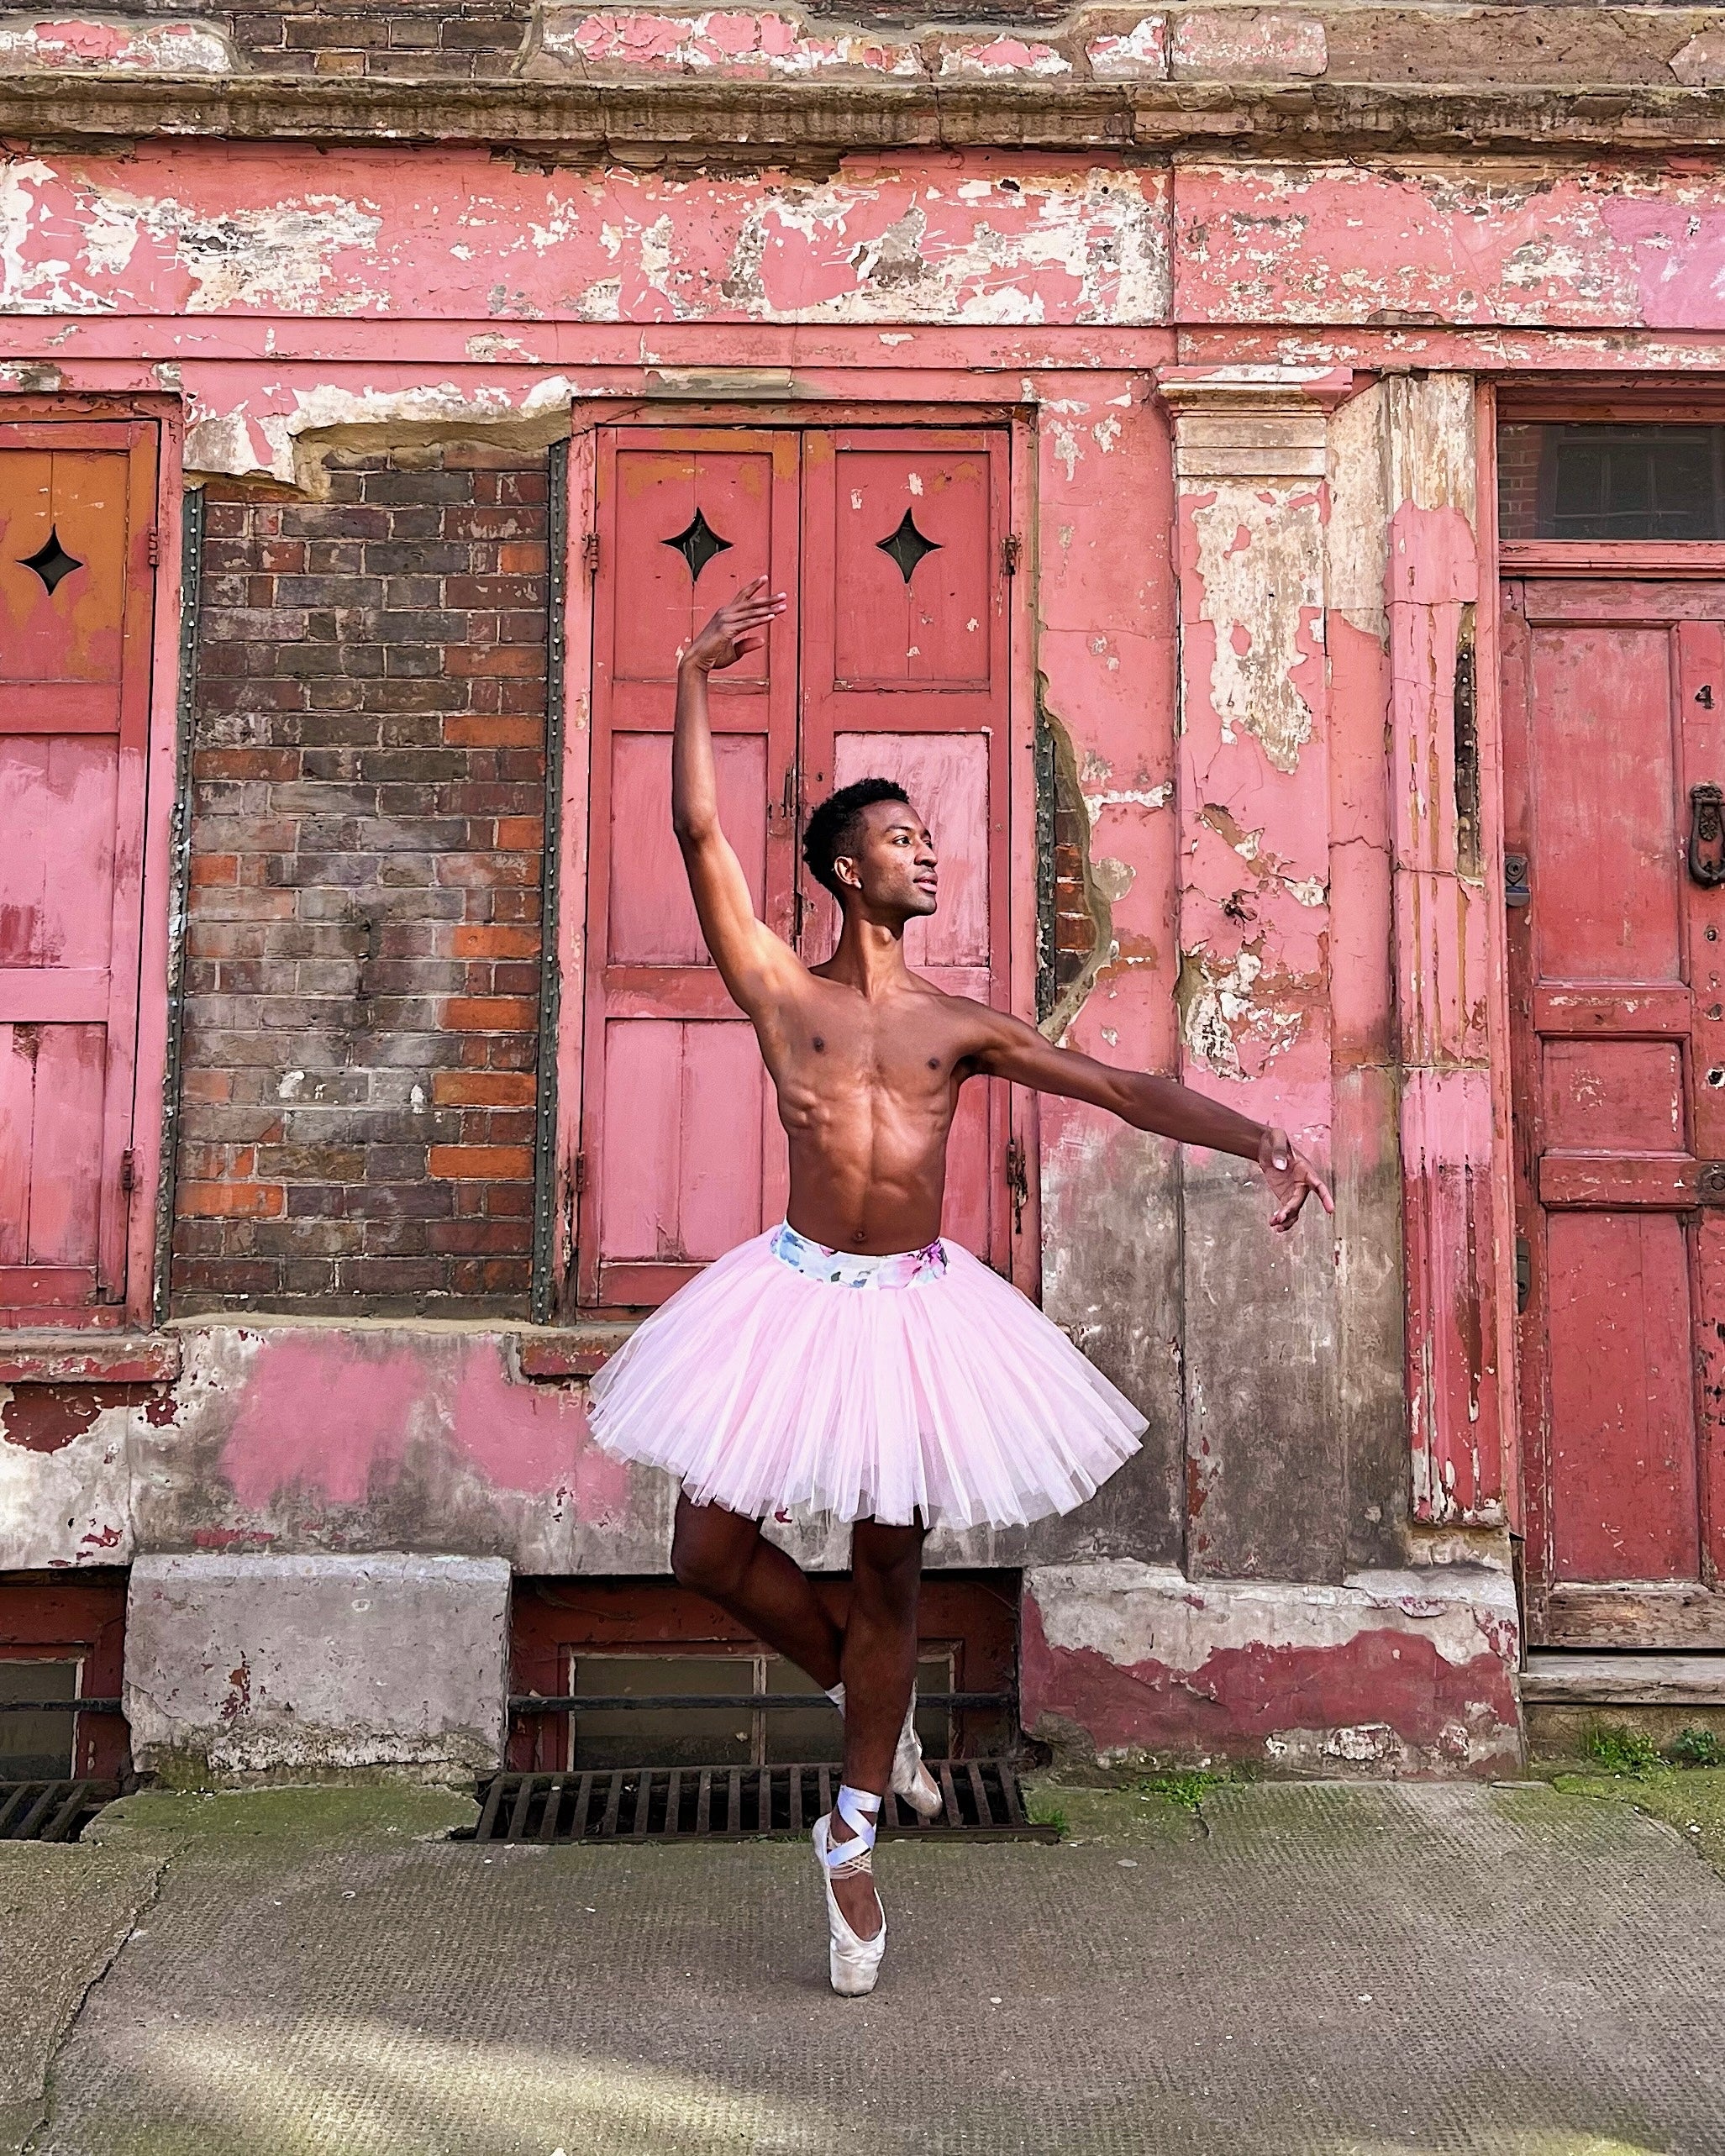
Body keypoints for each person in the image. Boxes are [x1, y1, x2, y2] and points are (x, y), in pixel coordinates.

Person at [588, 577, 1333, 1996]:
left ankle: (853, 1832)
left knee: (889, 1565)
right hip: (795, 1293)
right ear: (844, 870)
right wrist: (690, 676)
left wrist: (1258, 1135)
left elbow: (1114, 1079)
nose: (928, 856)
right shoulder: (779, 992)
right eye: (900, 840)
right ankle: (870, 1702)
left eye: (927, 839)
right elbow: (697, 834)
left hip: (919, 1307)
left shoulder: (958, 1025)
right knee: (705, 1549)